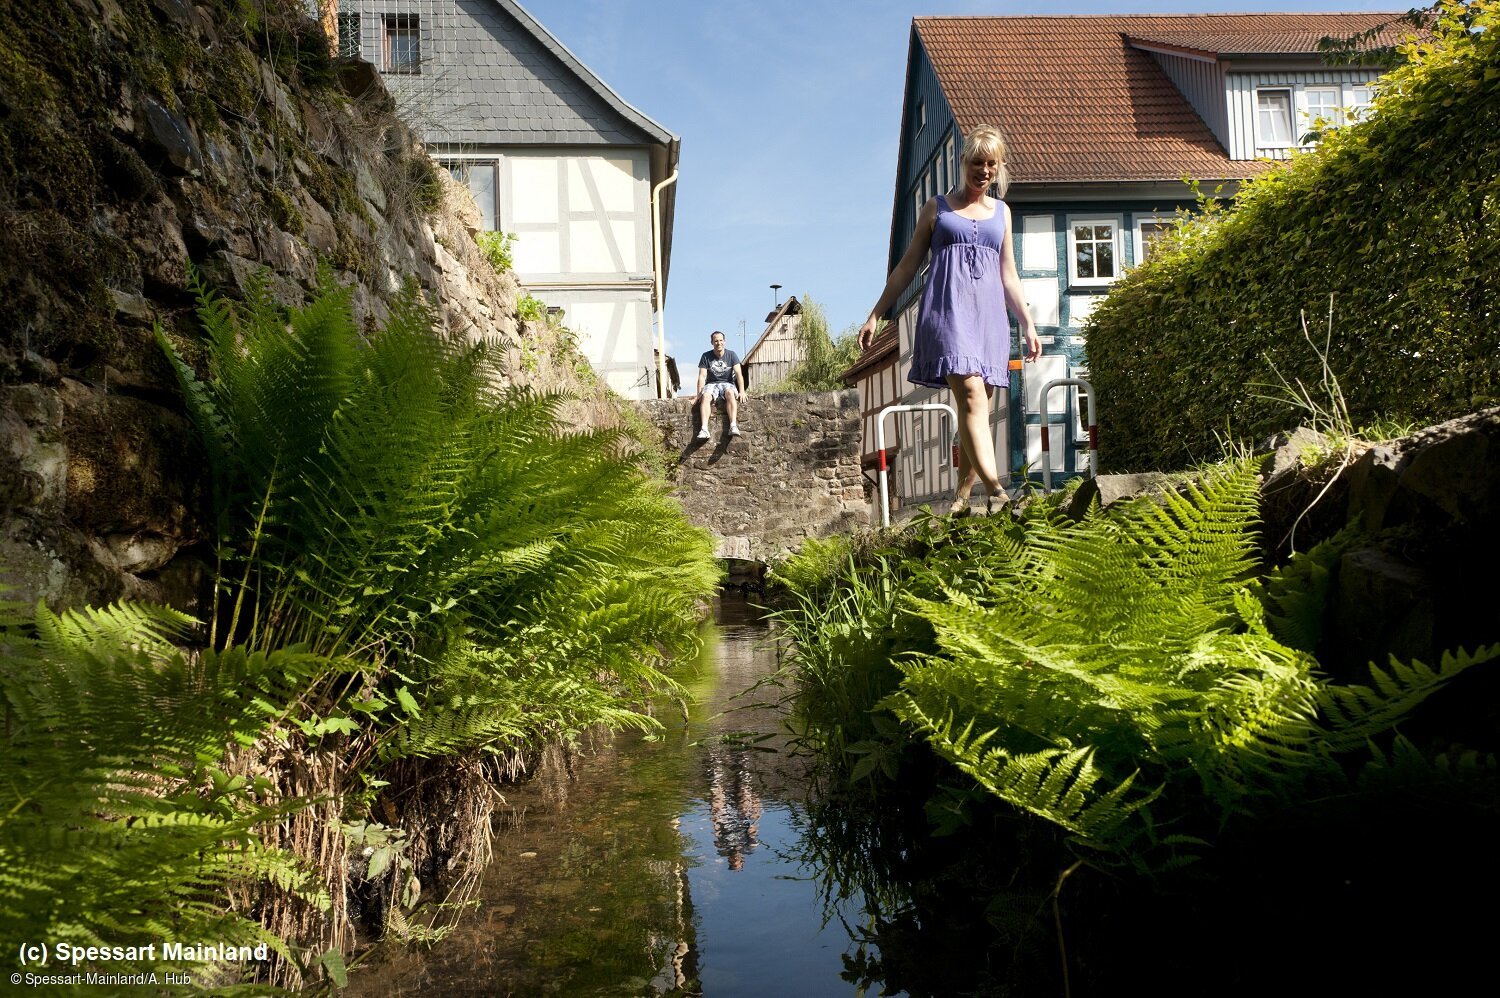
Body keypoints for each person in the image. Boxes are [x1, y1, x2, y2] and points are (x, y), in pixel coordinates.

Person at [858, 123, 1041, 514]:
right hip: (948, 313)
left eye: (992, 164)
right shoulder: (937, 209)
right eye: (977, 162)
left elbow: (1009, 274)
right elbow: (907, 268)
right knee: (973, 398)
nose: (984, 171)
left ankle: (960, 498)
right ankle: (998, 492)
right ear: (964, 163)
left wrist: (1027, 323)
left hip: (989, 319)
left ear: (1000, 166)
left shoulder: (1003, 214)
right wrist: (876, 313)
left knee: (977, 410)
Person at [694, 330, 745, 439]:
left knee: (730, 393)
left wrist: (742, 391)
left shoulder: (731, 355)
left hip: (727, 383)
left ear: (724, 341)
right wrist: (699, 394)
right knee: (706, 396)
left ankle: (733, 426)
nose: (719, 343)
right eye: (716, 341)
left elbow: (739, 374)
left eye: (721, 340)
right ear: (712, 342)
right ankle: (704, 429)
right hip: (711, 383)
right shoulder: (706, 356)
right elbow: (702, 376)